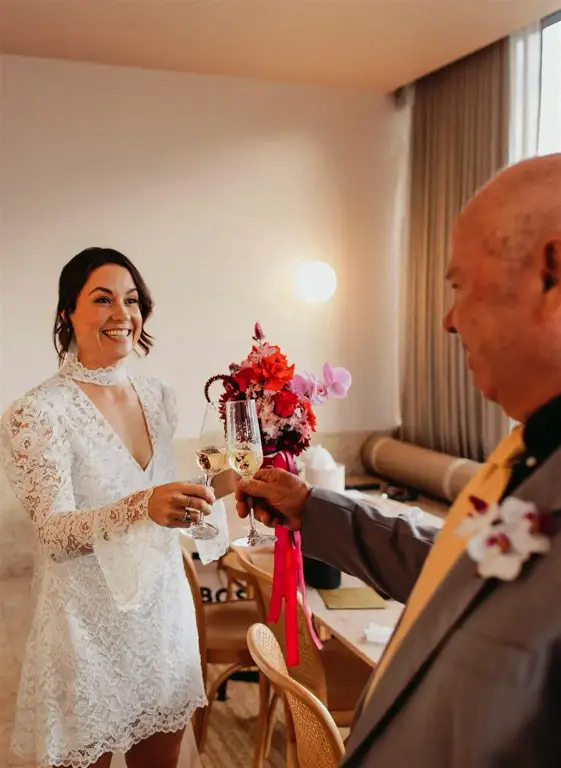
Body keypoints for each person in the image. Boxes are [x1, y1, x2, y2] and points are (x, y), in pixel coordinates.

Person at [236, 153, 561, 767]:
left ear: (553, 272)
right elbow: (454, 567)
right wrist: (309, 509)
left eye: (461, 285)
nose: (447, 320)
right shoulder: (528, 452)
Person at [0, 248, 228, 768]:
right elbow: (55, 534)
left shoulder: (158, 396)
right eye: (102, 299)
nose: (121, 313)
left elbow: (166, 494)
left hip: (162, 616)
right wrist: (143, 505)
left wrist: (229, 478)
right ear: (67, 313)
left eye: (131, 300)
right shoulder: (38, 413)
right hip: (86, 627)